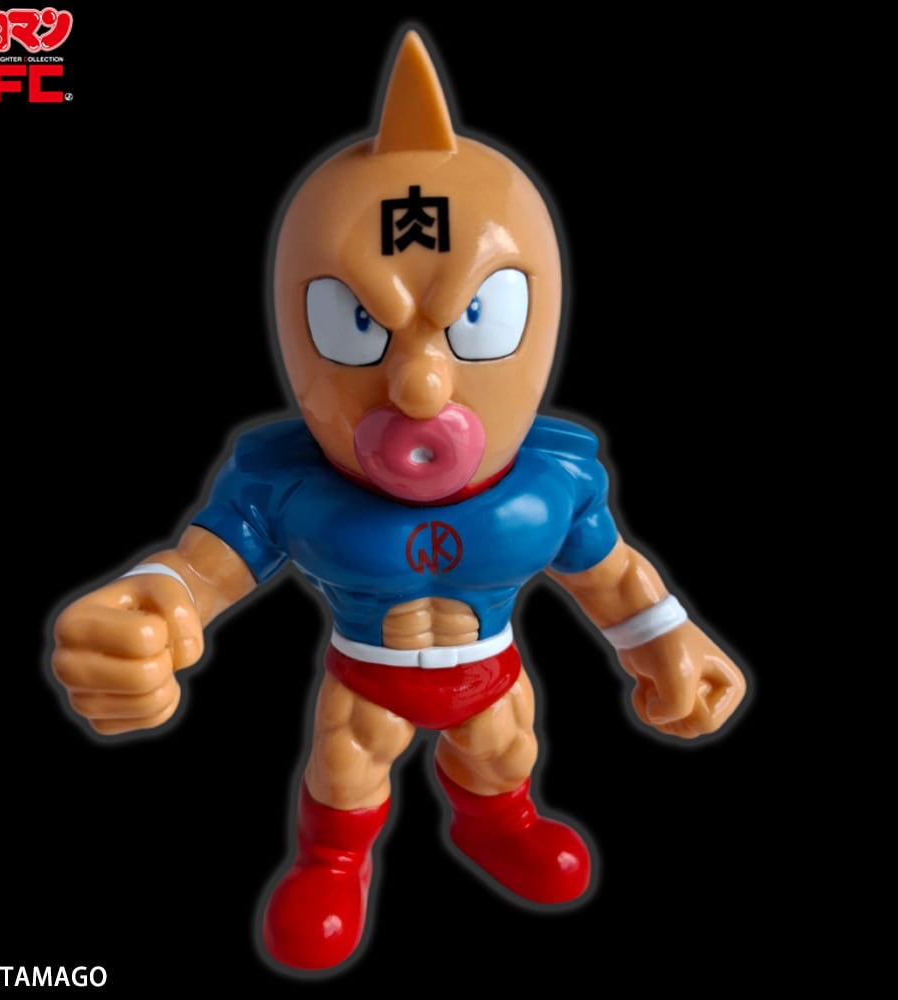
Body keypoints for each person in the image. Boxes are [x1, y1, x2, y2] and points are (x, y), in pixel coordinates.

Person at [51, 30, 747, 973]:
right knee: (348, 767)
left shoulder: (552, 487)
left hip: (488, 671)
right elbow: (203, 568)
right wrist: (147, 611)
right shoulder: (292, 488)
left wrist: (672, 640)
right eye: (356, 325)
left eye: (476, 320)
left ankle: (496, 826)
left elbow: (615, 578)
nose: (420, 387)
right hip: (368, 675)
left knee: (505, 753)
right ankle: (332, 862)